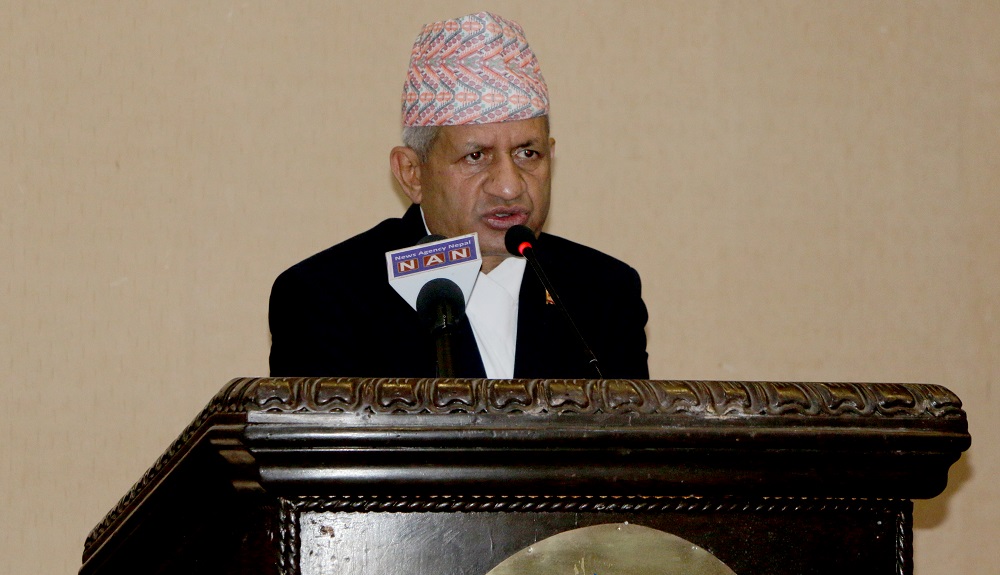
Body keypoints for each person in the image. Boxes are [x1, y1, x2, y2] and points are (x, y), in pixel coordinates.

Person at [268, 12, 648, 379]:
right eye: (476, 156)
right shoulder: (327, 299)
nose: (509, 187)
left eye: (527, 153)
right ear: (412, 173)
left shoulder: (604, 294)